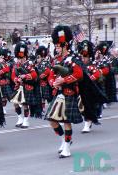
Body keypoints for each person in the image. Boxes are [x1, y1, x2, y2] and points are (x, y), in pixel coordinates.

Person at [46, 25, 83, 158]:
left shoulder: (73, 59)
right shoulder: (56, 59)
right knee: (51, 119)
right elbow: (50, 74)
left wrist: (64, 80)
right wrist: (53, 83)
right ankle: (64, 139)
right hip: (58, 93)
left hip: (69, 93)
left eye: (58, 45)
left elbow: (79, 74)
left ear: (65, 45)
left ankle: (67, 147)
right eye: (55, 45)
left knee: (66, 121)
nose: (56, 47)